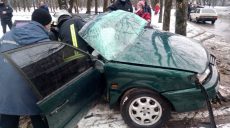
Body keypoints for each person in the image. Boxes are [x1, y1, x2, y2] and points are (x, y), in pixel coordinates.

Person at [0, 8, 52, 128]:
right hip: (29, 90)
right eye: (49, 25)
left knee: (7, 117)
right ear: (45, 25)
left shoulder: (7, 35)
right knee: (39, 115)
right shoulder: (44, 42)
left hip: (3, 87)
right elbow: (48, 72)